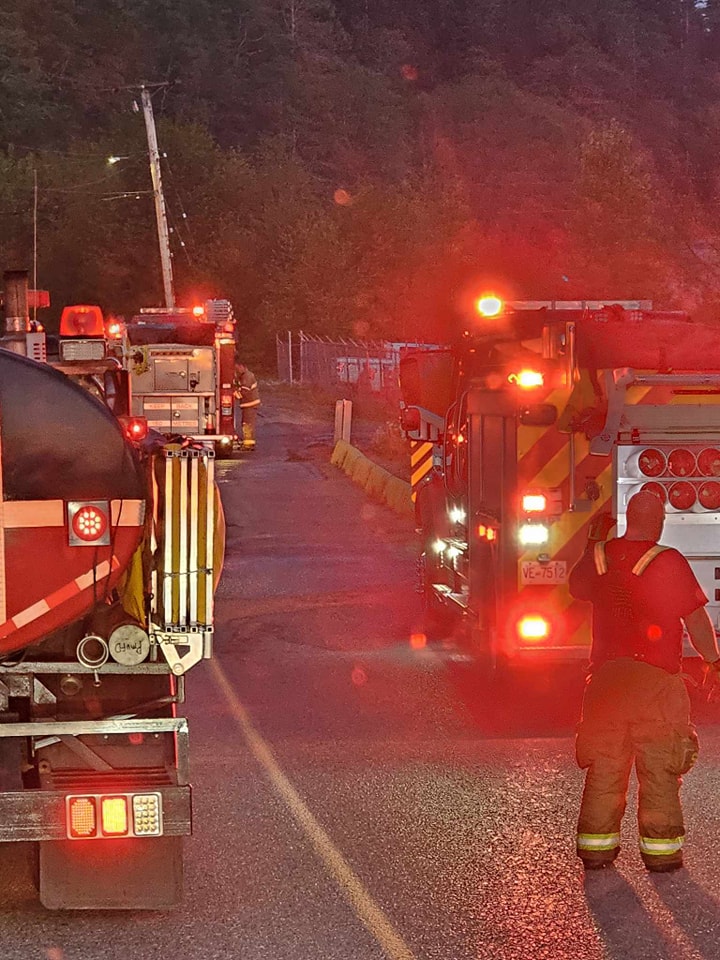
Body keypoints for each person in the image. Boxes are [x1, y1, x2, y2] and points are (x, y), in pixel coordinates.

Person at [568, 489, 720, 873]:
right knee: (659, 769)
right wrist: (713, 661)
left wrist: (591, 543)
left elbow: (577, 588)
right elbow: (696, 620)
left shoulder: (600, 556)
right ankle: (662, 854)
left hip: (604, 680)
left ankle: (596, 850)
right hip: (654, 681)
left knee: (604, 767)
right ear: (659, 522)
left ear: (626, 517)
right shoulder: (667, 561)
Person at [233, 362, 260, 450]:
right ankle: (248, 444)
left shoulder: (247, 377)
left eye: (237, 368)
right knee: (246, 424)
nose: (237, 370)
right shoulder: (244, 376)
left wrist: (234, 394)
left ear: (243, 366)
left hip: (250, 405)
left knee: (247, 425)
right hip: (248, 405)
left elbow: (244, 392)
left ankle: (248, 445)